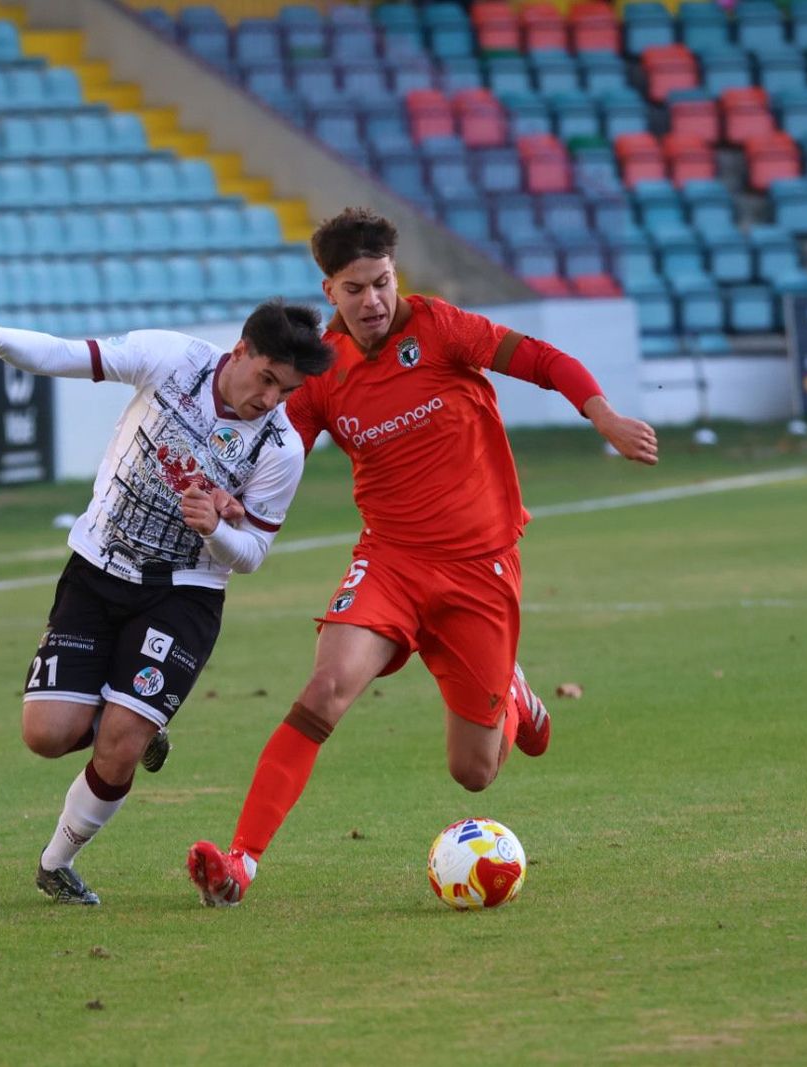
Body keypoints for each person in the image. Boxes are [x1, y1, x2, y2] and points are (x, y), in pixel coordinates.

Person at [186, 207, 660, 906]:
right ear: (330, 294)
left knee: (474, 772)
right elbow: (276, 447)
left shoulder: (439, 327)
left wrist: (604, 415)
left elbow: (540, 358)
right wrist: (230, 495)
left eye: (381, 281)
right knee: (325, 689)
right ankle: (240, 863)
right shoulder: (322, 373)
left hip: (480, 568)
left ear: (394, 271)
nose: (373, 300)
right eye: (355, 289)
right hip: (392, 562)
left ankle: (515, 697)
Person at [0, 299, 335, 906]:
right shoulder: (174, 360)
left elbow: (252, 552)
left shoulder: (281, 447)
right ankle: (129, 720)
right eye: (267, 380)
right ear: (241, 352)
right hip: (98, 567)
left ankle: (57, 861)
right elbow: (71, 355)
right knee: (46, 735)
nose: (271, 400)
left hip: (184, 594)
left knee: (119, 742)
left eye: (286, 391)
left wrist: (215, 530)